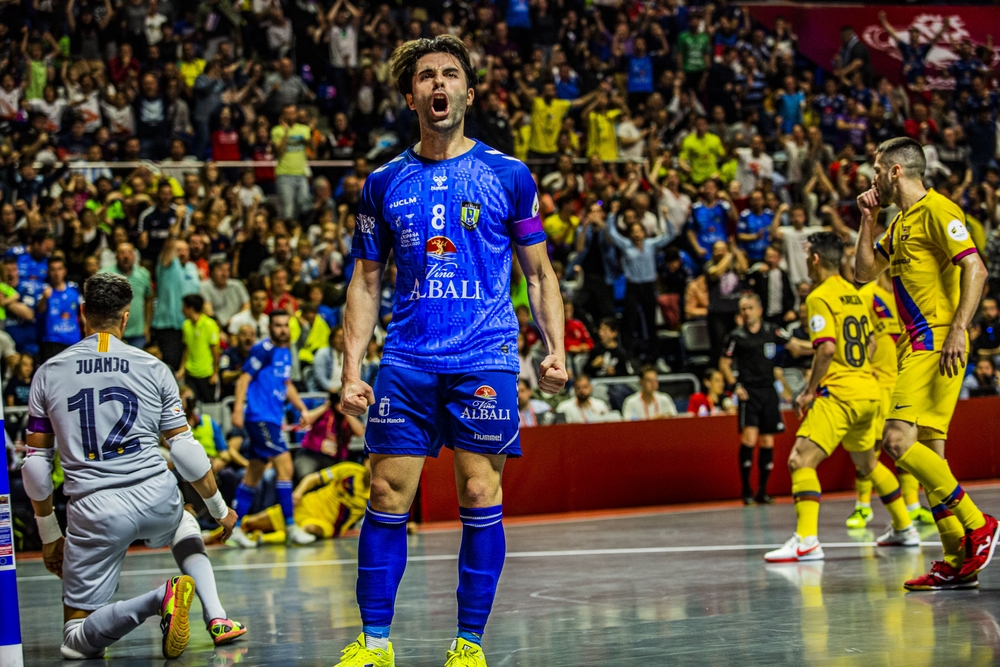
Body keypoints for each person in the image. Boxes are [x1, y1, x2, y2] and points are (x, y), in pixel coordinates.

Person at [336, 35, 567, 667]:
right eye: (427, 77)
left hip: (485, 357)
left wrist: (556, 348)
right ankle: (374, 643)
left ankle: (467, 645)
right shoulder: (382, 183)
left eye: (451, 74)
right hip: (407, 361)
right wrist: (352, 369)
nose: (440, 85)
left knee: (477, 493)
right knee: (385, 493)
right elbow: (364, 279)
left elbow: (540, 274)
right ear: (411, 96)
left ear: (469, 90)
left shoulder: (509, 174)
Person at [21, 273, 245, 661]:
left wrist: (49, 534)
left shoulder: (49, 372)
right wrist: (220, 511)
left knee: (76, 640)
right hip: (157, 496)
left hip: (95, 511)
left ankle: (159, 599)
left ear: (81, 315)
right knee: (183, 518)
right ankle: (217, 616)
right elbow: (185, 452)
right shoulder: (154, 367)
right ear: (126, 319)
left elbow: (37, 468)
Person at [856, 137, 999, 590]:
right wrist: (868, 218)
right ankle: (958, 560)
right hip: (914, 345)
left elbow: (976, 267)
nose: (872, 176)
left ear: (896, 172)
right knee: (930, 456)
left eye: (877, 169)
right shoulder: (898, 224)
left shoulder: (939, 210)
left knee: (896, 440)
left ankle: (978, 525)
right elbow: (862, 274)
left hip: (936, 341)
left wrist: (959, 327)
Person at [765, 232, 918, 563]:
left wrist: (808, 391)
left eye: (807, 256)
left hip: (840, 393)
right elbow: (873, 343)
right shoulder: (857, 294)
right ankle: (905, 527)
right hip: (868, 391)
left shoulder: (819, 297)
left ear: (816, 259)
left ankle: (806, 539)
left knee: (800, 461)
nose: (806, 261)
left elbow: (827, 347)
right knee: (868, 464)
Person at [850, 270, 934, 529]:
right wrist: (862, 368)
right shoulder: (867, 295)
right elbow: (853, 335)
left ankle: (913, 506)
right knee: (871, 446)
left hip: (904, 380)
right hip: (875, 383)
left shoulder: (908, 294)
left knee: (907, 444)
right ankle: (863, 507)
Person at [228, 310, 316, 548]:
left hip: (273, 419)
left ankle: (234, 529)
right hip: (260, 418)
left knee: (253, 475)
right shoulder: (262, 350)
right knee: (285, 468)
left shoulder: (286, 353)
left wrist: (302, 409)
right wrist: (238, 409)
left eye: (285, 325)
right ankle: (290, 527)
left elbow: (286, 386)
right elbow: (244, 379)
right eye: (277, 325)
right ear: (269, 327)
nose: (282, 330)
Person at [719, 294, 791, 505]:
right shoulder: (736, 336)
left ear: (759, 309)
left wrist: (818, 345)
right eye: (743, 309)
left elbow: (793, 344)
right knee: (749, 439)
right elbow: (724, 363)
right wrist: (735, 385)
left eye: (750, 308)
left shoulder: (771, 330)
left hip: (768, 390)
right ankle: (746, 490)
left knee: (768, 440)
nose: (746, 312)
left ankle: (763, 490)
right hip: (749, 391)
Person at [239, 459, 371, 542]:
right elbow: (312, 479)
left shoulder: (378, 494)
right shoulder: (348, 470)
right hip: (305, 505)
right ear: (366, 462)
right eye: (372, 463)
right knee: (250, 523)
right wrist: (298, 493)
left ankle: (262, 539)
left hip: (327, 524)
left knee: (309, 529)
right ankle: (225, 534)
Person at [103, 243, 153, 348]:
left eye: (129, 253)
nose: (126, 256)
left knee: (136, 364)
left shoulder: (143, 274)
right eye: (122, 253)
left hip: (138, 333)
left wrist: (147, 326)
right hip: (111, 333)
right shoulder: (105, 275)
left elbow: (149, 300)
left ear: (134, 256)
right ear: (116, 256)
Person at [36, 257, 82, 361]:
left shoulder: (73, 291)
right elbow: (40, 311)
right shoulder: (45, 291)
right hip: (53, 341)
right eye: (53, 269)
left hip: (73, 340)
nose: (56, 273)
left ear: (64, 271)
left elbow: (80, 314)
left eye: (59, 269)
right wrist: (44, 298)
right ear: (48, 272)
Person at [179, 294, 221, 404]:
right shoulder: (186, 325)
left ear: (190, 308)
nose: (181, 310)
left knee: (209, 405)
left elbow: (215, 351)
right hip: (191, 373)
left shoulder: (210, 324)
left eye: (183, 307)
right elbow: (186, 349)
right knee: (190, 404)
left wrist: (215, 373)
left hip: (206, 374)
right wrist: (182, 368)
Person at [200, 258, 250, 332]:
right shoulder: (204, 287)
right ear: (211, 272)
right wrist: (219, 331)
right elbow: (208, 312)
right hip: (216, 327)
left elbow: (247, 306)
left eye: (227, 270)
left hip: (238, 326)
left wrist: (235, 321)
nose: (225, 274)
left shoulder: (237, 285)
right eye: (220, 270)